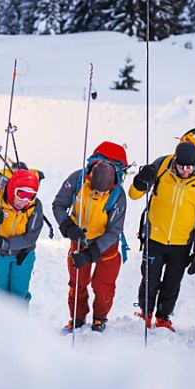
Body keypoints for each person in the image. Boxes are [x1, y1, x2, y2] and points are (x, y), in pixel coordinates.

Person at [129, 141, 195, 332]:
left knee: (172, 283)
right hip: (154, 238)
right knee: (149, 279)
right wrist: (140, 181)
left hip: (181, 242)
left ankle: (163, 318)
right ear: (175, 161)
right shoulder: (161, 166)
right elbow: (134, 195)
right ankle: (146, 313)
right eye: (181, 166)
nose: (185, 171)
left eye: (190, 167)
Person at [53, 141, 128, 333]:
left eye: (102, 192)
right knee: (77, 282)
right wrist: (67, 226)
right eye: (94, 190)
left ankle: (100, 318)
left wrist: (93, 252)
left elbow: (114, 231)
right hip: (79, 239)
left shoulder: (117, 196)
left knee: (104, 286)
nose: (98, 194)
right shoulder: (77, 180)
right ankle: (76, 318)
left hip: (105, 245)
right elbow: (59, 204)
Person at [0, 169, 44, 306]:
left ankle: (18, 324)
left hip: (23, 256)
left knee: (19, 294)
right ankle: (1, 325)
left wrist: (7, 244)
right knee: (1, 295)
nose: (24, 201)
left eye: (30, 196)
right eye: (21, 194)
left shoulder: (34, 207)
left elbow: (31, 237)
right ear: (12, 189)